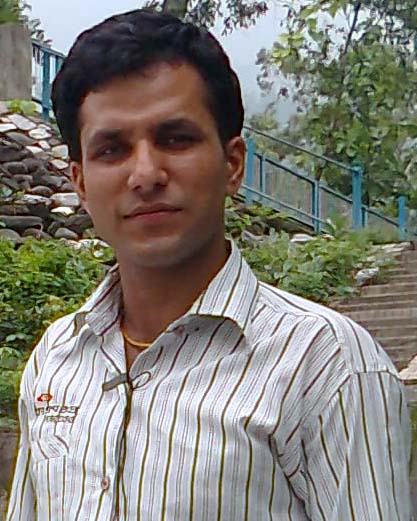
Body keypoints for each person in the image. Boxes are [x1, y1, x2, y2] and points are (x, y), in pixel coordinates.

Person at [7, 8, 412, 521]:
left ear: (233, 164)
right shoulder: (56, 358)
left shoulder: (326, 366)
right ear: (81, 183)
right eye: (112, 149)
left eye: (175, 139)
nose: (145, 174)